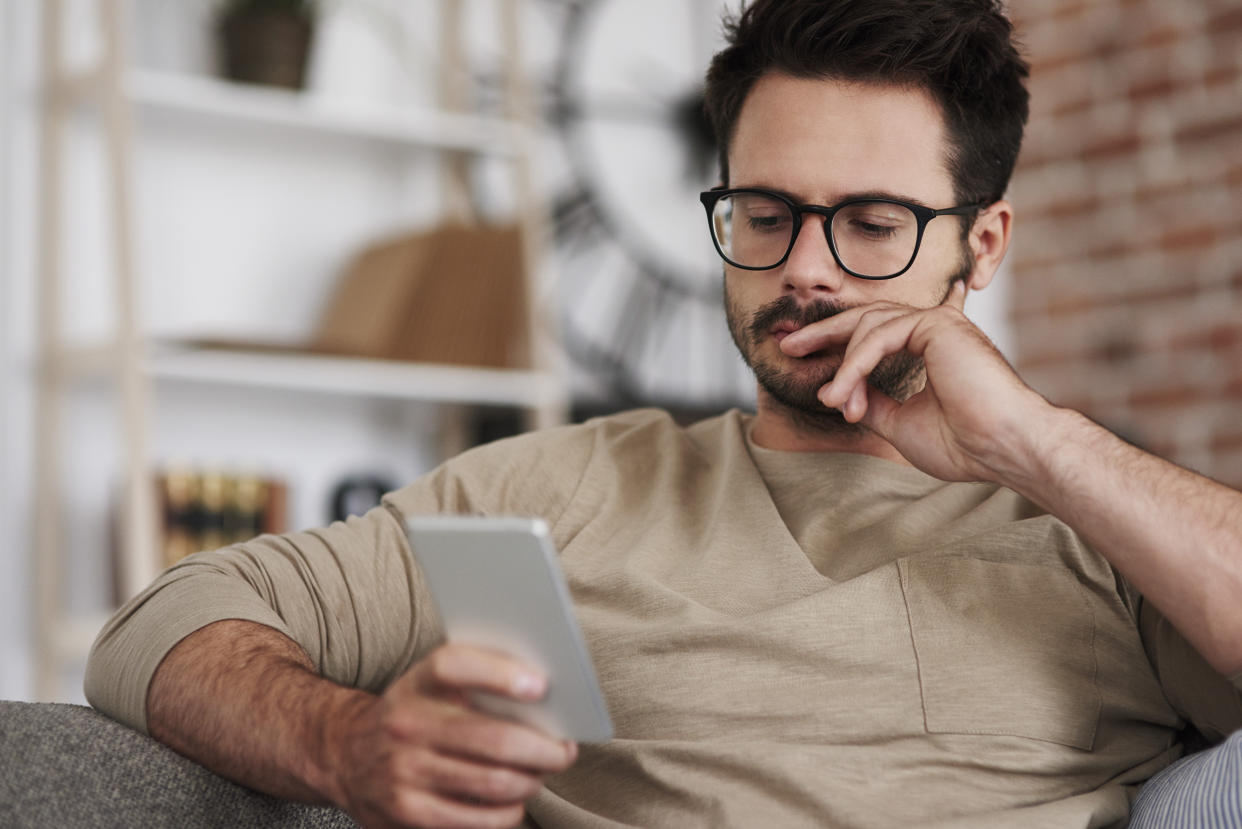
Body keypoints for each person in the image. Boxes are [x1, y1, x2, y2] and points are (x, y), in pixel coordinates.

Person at [86, 1, 1242, 827]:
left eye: (875, 222)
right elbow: (164, 623)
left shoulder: (1092, 523)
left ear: (979, 244)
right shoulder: (555, 492)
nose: (810, 270)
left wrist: (1030, 441)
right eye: (766, 213)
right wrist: (344, 743)